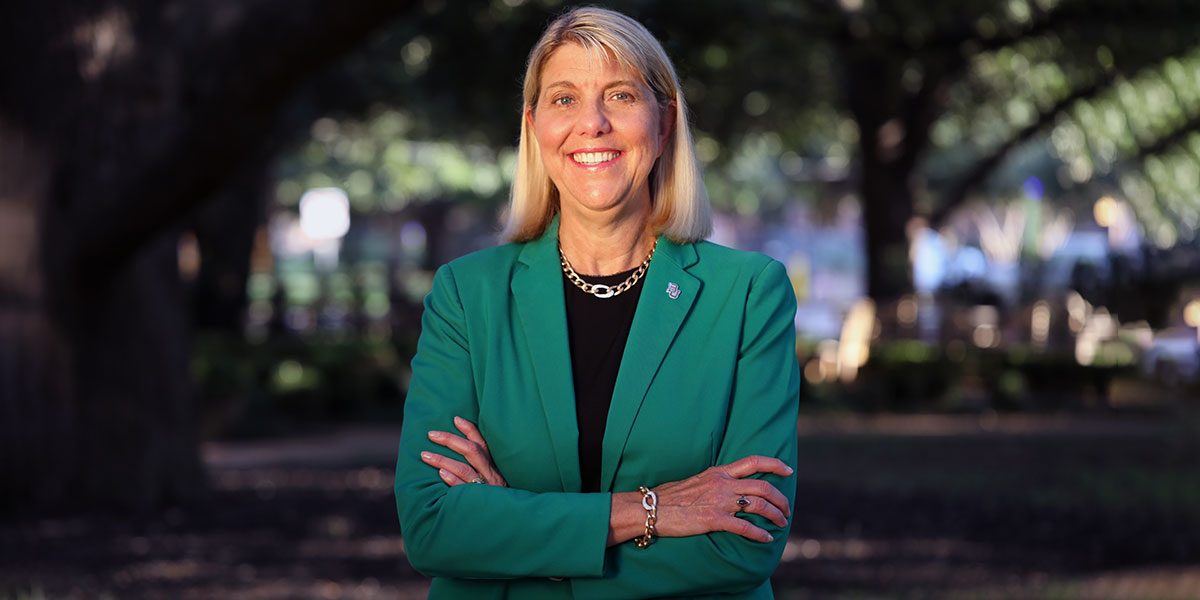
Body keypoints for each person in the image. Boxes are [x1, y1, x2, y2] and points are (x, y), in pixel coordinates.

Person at [394, 6, 800, 598]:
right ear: (534, 126)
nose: (592, 124)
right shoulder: (466, 295)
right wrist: (651, 509)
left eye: (620, 96)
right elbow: (432, 528)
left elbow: (746, 538)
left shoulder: (748, 295)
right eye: (564, 99)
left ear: (664, 124)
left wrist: (516, 532)